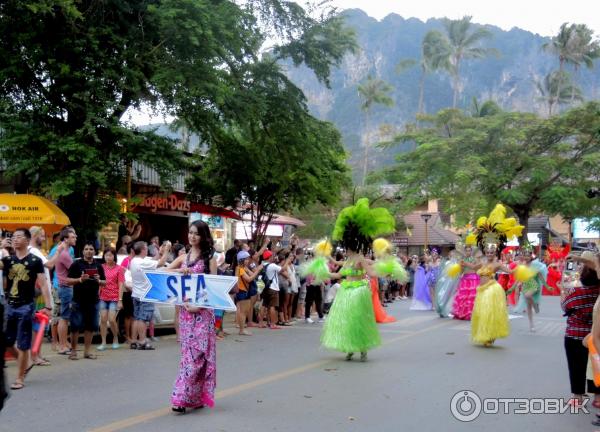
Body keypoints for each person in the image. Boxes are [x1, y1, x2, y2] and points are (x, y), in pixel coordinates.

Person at [320, 198, 395, 361]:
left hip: (359, 291)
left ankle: (362, 348)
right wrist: (323, 274)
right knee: (347, 320)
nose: (345, 249)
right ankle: (350, 347)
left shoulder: (360, 258)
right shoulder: (347, 260)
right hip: (346, 291)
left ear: (351, 245)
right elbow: (338, 275)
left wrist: (386, 270)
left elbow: (370, 273)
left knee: (357, 320)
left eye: (346, 247)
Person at [167, 220, 218, 413]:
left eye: (196, 233)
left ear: (204, 236)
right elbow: (163, 272)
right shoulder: (184, 257)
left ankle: (187, 396)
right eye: (190, 232)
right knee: (188, 357)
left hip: (203, 313)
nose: (192, 236)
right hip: (186, 314)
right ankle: (186, 398)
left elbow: (213, 288)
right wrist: (180, 270)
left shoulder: (210, 259)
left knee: (198, 357)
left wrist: (198, 307)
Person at [0, 228, 52, 390]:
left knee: (23, 344)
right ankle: (26, 362)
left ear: (27, 240)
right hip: (10, 305)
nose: (15, 239)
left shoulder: (35, 260)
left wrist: (48, 306)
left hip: (26, 306)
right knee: (7, 342)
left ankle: (20, 377)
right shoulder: (8, 261)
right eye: (13, 237)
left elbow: (43, 284)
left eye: (19, 237)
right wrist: (1, 247)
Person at [563, 251, 600, 407]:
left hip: (575, 334)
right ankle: (598, 397)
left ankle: (577, 396)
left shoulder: (574, 289)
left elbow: (565, 306)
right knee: (595, 365)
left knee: (576, 365)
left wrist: (569, 270)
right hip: (595, 334)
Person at [28, 226, 65, 366]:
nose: (44, 238)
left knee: (38, 326)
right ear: (34, 235)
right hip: (39, 293)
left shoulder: (33, 251)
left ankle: (37, 354)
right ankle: (35, 356)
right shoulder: (34, 251)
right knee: (37, 326)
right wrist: (59, 251)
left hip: (38, 292)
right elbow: (49, 265)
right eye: (42, 236)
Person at [65, 242, 105, 360]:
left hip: (93, 301)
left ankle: (87, 352)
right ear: (82, 251)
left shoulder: (98, 265)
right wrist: (80, 279)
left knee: (91, 326)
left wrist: (99, 281)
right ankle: (73, 351)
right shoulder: (76, 264)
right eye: (86, 249)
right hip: (78, 300)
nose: (89, 251)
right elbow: (67, 281)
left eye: (91, 249)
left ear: (94, 251)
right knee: (75, 326)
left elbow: (105, 282)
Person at [130, 240, 171, 350]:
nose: (147, 250)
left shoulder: (135, 261)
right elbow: (161, 263)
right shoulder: (142, 262)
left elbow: (153, 260)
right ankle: (143, 341)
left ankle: (136, 341)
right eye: (146, 248)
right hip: (145, 294)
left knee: (138, 318)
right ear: (143, 250)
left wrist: (161, 252)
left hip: (137, 294)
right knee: (143, 319)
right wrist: (166, 251)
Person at [55, 227, 78, 355]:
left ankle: (64, 344)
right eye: (73, 237)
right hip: (66, 287)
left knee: (64, 317)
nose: (75, 238)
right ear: (66, 239)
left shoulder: (65, 251)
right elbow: (75, 269)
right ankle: (62, 346)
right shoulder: (64, 254)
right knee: (64, 318)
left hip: (64, 287)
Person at [98, 247, 124, 351]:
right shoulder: (101, 267)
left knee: (112, 320)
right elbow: (98, 282)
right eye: (106, 255)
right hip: (102, 297)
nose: (108, 257)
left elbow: (121, 284)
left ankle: (115, 338)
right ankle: (103, 342)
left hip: (114, 297)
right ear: (104, 256)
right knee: (103, 320)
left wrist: (120, 300)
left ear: (114, 256)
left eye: (110, 255)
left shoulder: (119, 268)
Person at [235, 250, 264, 335]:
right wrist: (258, 270)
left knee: (244, 311)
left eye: (248, 259)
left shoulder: (244, 268)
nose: (248, 261)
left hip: (244, 291)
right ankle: (241, 330)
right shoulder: (240, 269)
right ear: (241, 260)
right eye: (246, 259)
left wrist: (255, 271)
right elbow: (249, 279)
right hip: (242, 291)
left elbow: (252, 275)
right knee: (243, 312)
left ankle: (242, 329)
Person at [451, 245, 480, 320]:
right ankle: (463, 313)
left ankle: (471, 314)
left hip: (473, 279)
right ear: (465, 252)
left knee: (472, 298)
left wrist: (466, 264)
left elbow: (475, 268)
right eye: (466, 251)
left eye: (469, 250)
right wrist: (460, 269)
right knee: (463, 297)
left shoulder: (475, 259)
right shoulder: (462, 260)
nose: (468, 252)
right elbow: (461, 271)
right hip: (465, 279)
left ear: (471, 251)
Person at [261, 250, 283, 329]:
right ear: (270, 257)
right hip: (273, 287)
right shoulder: (272, 265)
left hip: (265, 287)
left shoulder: (262, 265)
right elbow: (282, 269)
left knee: (264, 305)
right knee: (272, 306)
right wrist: (287, 261)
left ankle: (261, 323)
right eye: (272, 256)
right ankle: (273, 324)